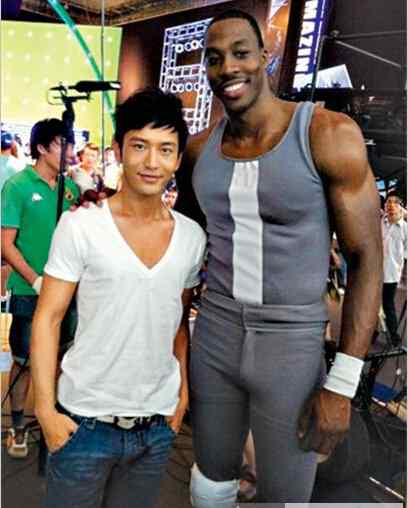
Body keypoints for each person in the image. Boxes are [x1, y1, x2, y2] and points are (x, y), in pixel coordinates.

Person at [173, 9, 382, 504]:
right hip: (216, 336)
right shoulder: (199, 152)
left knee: (286, 494)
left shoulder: (327, 134)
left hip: (291, 345)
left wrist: (343, 384)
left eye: (240, 53)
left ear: (265, 56)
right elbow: (181, 244)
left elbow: (366, 260)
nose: (228, 68)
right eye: (214, 58)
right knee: (209, 480)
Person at [30, 88, 206, 508]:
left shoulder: (191, 237)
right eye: (140, 146)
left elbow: (178, 323)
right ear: (118, 149)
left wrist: (182, 394)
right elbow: (48, 318)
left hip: (156, 425)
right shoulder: (81, 226)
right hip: (84, 422)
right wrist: (45, 411)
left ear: (178, 159)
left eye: (165, 149)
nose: (152, 162)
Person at [1, 119, 79, 458]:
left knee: (61, 357)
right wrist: (35, 280)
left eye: (70, 144)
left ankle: (55, 421)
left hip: (67, 292)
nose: (69, 151)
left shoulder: (71, 189)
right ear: (43, 147)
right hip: (28, 292)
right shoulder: (18, 186)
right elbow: (6, 244)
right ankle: (18, 427)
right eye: (63, 143)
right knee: (24, 362)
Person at [381, 192, 407, 346]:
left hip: (391, 273)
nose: (390, 205)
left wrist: (401, 266)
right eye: (388, 202)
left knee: (388, 303)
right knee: (371, 303)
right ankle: (373, 331)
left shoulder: (404, 227)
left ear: (399, 207)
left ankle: (394, 334)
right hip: (374, 271)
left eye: (394, 202)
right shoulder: (380, 222)